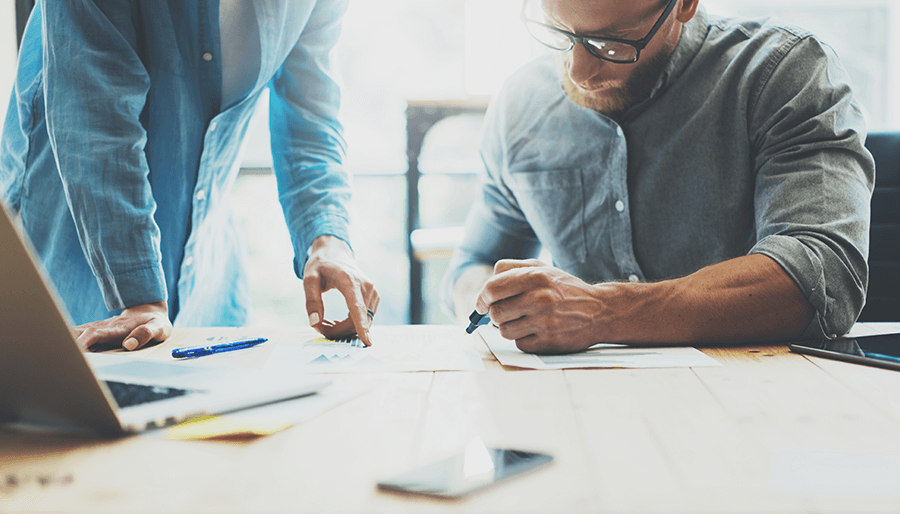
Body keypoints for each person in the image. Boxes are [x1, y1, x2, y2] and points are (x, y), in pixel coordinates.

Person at [442, 0, 874, 354]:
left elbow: (823, 276)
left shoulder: (782, 72)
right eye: (560, 33)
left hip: (756, 407)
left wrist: (600, 312)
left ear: (683, 6)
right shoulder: (521, 103)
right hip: (583, 413)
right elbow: (473, 264)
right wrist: (496, 301)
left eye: (610, 42)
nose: (577, 71)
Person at [0, 0, 379, 351]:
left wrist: (328, 242)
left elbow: (311, 119)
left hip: (206, 265)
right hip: (76, 247)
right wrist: (139, 296)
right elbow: (97, 119)